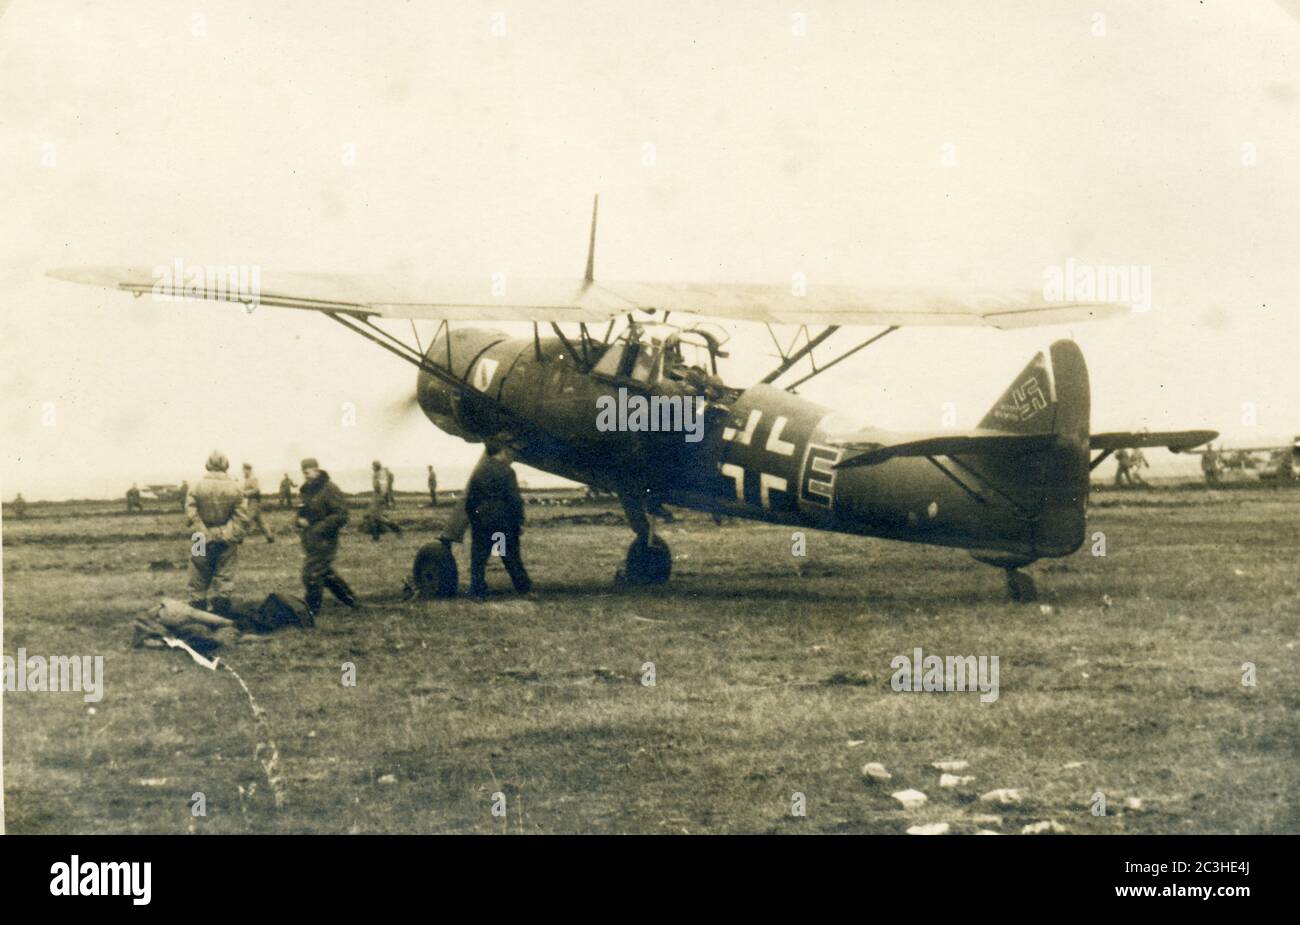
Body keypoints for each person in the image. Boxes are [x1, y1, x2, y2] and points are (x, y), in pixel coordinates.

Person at [465, 438, 531, 600]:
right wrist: (519, 521)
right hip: (502, 522)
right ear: (502, 451)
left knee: (479, 558)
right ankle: (523, 588)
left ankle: (477, 592)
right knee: (509, 555)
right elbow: (514, 499)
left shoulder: (479, 472)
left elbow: (470, 499)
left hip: (482, 522)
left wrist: (474, 518)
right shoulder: (506, 471)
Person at [185, 450, 249, 614]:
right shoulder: (236, 487)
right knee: (224, 572)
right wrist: (226, 534)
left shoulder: (196, 486)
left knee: (197, 571)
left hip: (199, 537)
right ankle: (221, 610)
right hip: (226, 538)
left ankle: (197, 608)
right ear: (226, 465)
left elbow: (191, 513)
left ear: (208, 464)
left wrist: (203, 532)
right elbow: (241, 516)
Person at [296, 457, 358, 615]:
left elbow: (341, 514)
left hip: (325, 540)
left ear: (317, 469)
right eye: (304, 473)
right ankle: (351, 600)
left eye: (308, 472)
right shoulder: (307, 490)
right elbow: (303, 511)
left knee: (311, 574)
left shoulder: (329, 488)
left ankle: (311, 611)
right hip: (311, 541)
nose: (306, 475)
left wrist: (318, 528)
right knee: (324, 573)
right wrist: (298, 520)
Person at [364, 460, 401, 540]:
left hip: (379, 497)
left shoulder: (380, 474)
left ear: (376, 466)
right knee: (374, 516)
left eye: (373, 466)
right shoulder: (378, 474)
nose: (372, 467)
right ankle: (377, 536)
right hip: (377, 496)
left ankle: (395, 528)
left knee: (375, 516)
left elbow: (382, 487)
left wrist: (382, 497)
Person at [241, 462, 275, 542]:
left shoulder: (253, 478)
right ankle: (270, 537)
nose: (243, 472)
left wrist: (246, 493)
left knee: (247, 519)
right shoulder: (247, 479)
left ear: (248, 470)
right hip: (251, 501)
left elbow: (257, 489)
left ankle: (240, 538)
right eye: (243, 470)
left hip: (254, 501)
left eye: (244, 470)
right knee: (260, 521)